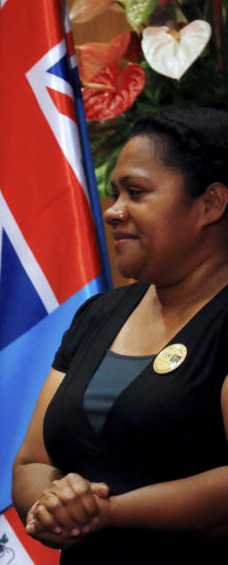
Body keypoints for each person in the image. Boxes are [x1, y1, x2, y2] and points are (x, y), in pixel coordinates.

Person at [12, 107, 228, 563]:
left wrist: (103, 512)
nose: (113, 211)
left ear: (210, 204)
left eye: (136, 192)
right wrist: (54, 505)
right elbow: (31, 461)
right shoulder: (99, 313)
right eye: (114, 194)